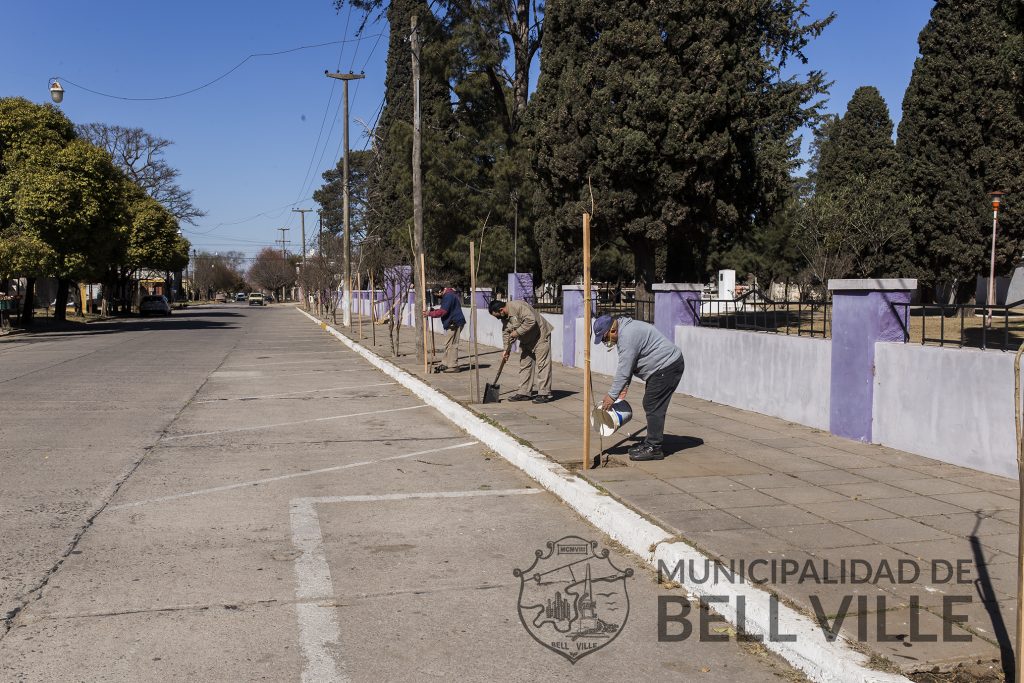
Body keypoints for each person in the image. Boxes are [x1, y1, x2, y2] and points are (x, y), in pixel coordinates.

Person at [593, 314, 685, 461]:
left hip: (667, 366)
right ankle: (651, 442)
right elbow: (629, 363)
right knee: (652, 404)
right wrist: (624, 386)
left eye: (604, 338)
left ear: (612, 331)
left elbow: (624, 368)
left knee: (652, 404)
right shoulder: (624, 331)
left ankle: (654, 447)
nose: (606, 342)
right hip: (661, 368)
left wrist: (612, 396)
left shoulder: (627, 336)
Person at [488, 299, 554, 403]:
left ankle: (544, 393)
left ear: (501, 310)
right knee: (525, 365)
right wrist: (507, 350)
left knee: (542, 365)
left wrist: (517, 332)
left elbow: (531, 320)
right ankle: (524, 392)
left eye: (497, 316)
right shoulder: (504, 317)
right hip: (526, 340)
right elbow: (506, 331)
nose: (498, 318)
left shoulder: (517, 307)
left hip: (540, 336)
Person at [424, 287, 466, 372]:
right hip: (453, 322)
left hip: (454, 323)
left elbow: (443, 311)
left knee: (452, 345)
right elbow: (445, 309)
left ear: (440, 291)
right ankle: (446, 363)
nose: (437, 297)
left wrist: (430, 313)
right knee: (448, 344)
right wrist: (434, 311)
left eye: (436, 295)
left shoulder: (448, 296)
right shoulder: (449, 295)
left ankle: (453, 366)